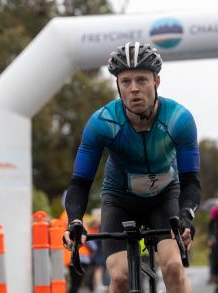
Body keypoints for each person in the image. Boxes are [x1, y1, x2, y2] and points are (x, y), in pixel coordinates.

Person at [62, 41, 200, 293]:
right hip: (120, 200)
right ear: (117, 86)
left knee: (173, 268)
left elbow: (191, 181)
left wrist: (186, 216)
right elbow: (80, 183)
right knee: (121, 277)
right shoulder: (102, 122)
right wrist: (74, 221)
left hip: (164, 199)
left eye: (142, 80)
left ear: (156, 82)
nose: (134, 88)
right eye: (125, 82)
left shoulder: (179, 119)